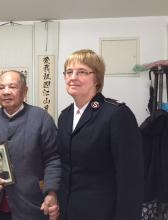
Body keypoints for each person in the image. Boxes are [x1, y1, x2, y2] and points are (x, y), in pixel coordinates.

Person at [57, 49, 144, 220]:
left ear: (96, 78)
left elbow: (131, 179)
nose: (73, 77)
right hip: (68, 212)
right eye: (69, 72)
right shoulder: (65, 116)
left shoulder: (116, 114)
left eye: (82, 72)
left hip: (103, 213)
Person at [0, 70, 61, 220]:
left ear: (25, 91)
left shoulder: (42, 119)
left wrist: (51, 191)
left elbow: (53, 159)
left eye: (12, 87)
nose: (6, 92)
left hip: (31, 207)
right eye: (1, 87)